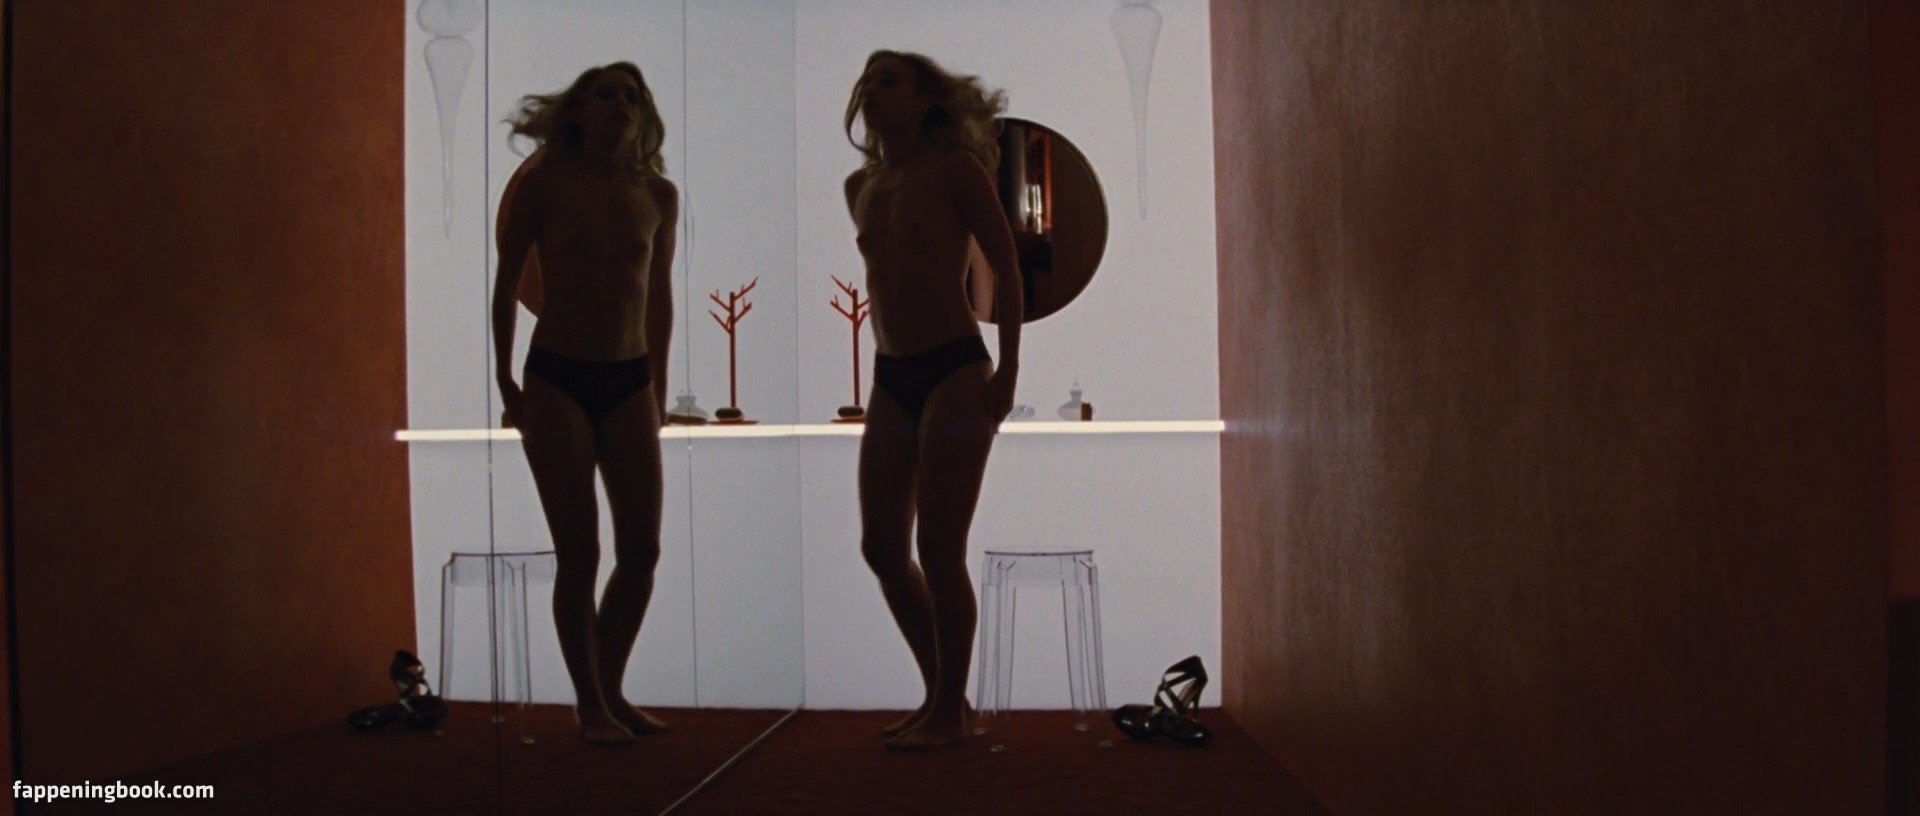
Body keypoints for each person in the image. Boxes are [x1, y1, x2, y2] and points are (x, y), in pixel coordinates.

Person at [842, 50, 1023, 750]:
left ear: (924, 99)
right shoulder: (860, 184)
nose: (873, 91)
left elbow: (1005, 265)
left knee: (940, 548)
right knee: (882, 548)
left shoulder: (956, 170)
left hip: (954, 366)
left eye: (889, 80)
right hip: (892, 374)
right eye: (869, 81)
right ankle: (944, 697)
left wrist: (1009, 371)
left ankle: (948, 711)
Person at [492, 62, 678, 745]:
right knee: (580, 551)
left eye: (631, 96)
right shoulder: (545, 183)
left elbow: (658, 296)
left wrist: (657, 387)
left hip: (629, 381)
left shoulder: (658, 194)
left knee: (642, 551)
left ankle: (608, 688)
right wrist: (505, 380)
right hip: (557, 377)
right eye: (606, 95)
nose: (620, 104)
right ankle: (591, 703)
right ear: (577, 111)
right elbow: (507, 281)